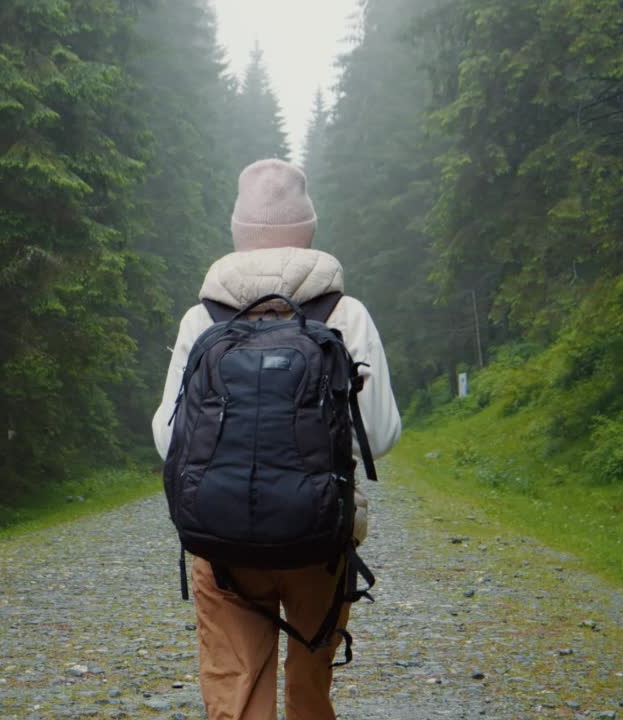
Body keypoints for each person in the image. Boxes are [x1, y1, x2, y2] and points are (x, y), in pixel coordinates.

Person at [151, 158, 401, 720]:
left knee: (236, 691)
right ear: (309, 229)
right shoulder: (346, 312)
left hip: (220, 542)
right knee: (310, 688)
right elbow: (379, 436)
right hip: (319, 532)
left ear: (238, 233)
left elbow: (170, 443)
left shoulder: (202, 319)